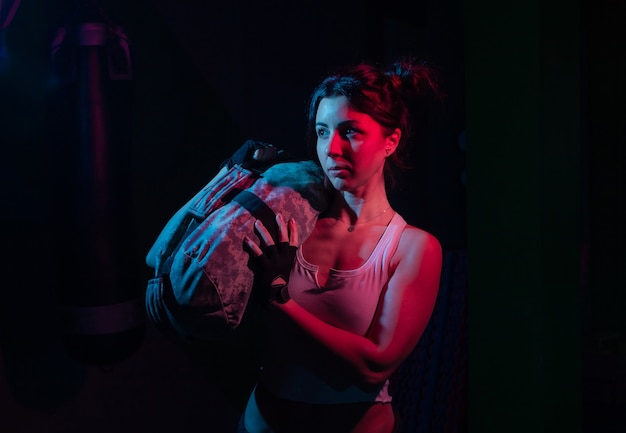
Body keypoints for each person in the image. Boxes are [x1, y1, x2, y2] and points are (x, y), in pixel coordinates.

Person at [239, 58, 444, 433]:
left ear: (390, 141)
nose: (331, 148)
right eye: (321, 131)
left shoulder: (411, 247)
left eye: (349, 131)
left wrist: (280, 301)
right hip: (264, 420)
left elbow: (374, 367)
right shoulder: (292, 221)